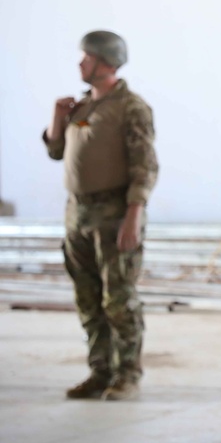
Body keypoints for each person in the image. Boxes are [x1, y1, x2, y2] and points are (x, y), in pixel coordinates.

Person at [43, 30, 158, 401]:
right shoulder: (81, 107)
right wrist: (58, 118)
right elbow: (56, 151)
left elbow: (145, 166)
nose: (80, 63)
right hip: (78, 213)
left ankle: (127, 374)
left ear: (105, 61)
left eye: (85, 57)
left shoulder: (130, 107)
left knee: (118, 298)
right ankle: (100, 370)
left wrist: (133, 216)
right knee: (88, 298)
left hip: (114, 213)